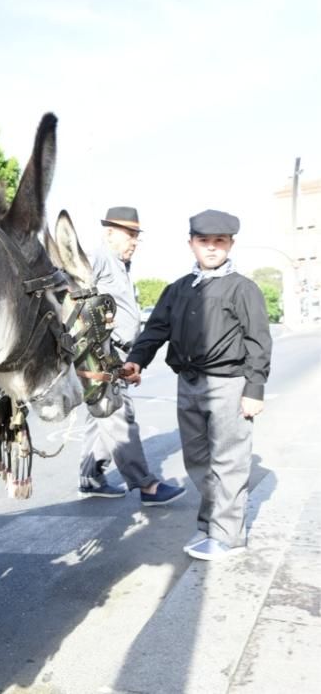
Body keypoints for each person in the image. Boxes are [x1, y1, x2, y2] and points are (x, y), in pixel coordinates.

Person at [123, 209, 272, 560]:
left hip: (229, 384)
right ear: (191, 243)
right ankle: (211, 525)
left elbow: (258, 342)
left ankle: (229, 537)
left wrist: (255, 389)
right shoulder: (178, 289)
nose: (211, 248)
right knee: (198, 459)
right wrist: (136, 360)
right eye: (203, 241)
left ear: (230, 244)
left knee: (229, 461)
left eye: (219, 241)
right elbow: (156, 330)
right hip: (188, 383)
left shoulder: (243, 288)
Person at [78, 206, 186, 506]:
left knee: (100, 416)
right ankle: (146, 485)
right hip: (101, 351)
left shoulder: (121, 265)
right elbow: (71, 293)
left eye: (137, 236)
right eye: (129, 235)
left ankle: (90, 477)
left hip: (119, 352)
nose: (134, 241)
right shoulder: (97, 257)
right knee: (117, 415)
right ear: (109, 232)